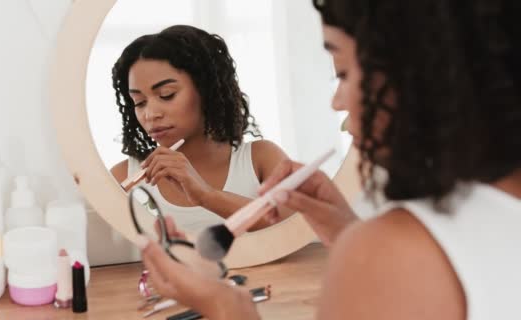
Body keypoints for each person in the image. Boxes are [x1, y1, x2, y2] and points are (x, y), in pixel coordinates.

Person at [136, 1, 521, 319]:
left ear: (421, 73)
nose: (336, 101)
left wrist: (225, 307)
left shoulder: (393, 251)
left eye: (343, 72)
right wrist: (347, 232)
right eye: (138, 101)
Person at [110, 25, 291, 232]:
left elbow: (295, 230)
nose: (150, 114)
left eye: (167, 94)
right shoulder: (123, 177)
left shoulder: (262, 159)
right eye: (139, 102)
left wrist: (206, 195)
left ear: (207, 90)